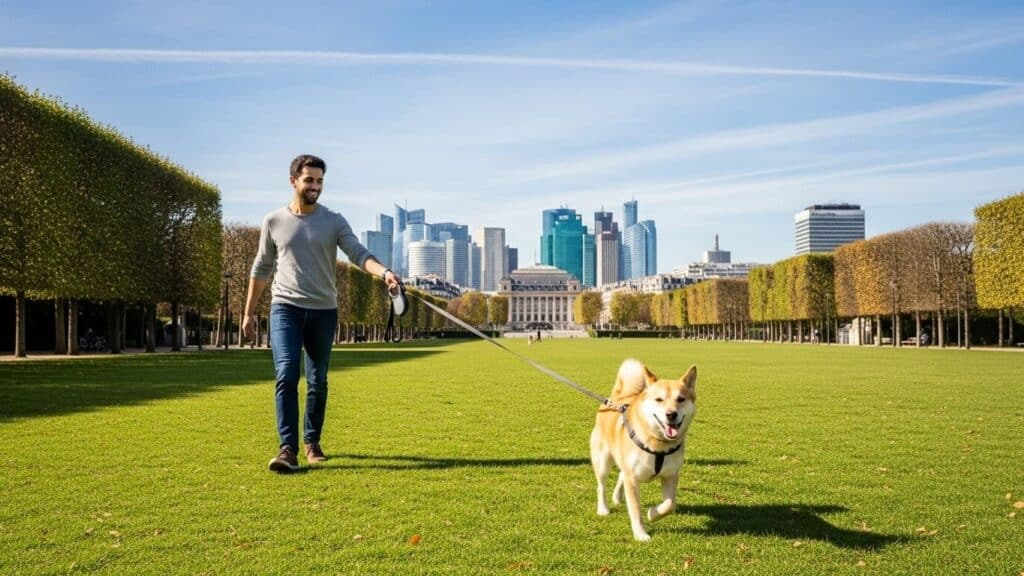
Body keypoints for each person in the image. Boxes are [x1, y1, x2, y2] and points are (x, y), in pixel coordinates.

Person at [242, 154, 400, 473]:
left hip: (323, 311)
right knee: (286, 372)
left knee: (318, 380)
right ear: (294, 181)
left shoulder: (334, 221)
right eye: (309, 180)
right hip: (284, 307)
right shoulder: (273, 221)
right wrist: (248, 313)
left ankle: (311, 440)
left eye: (319, 181)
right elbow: (261, 268)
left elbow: (358, 253)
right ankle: (287, 448)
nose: (315, 186)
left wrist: (384, 273)